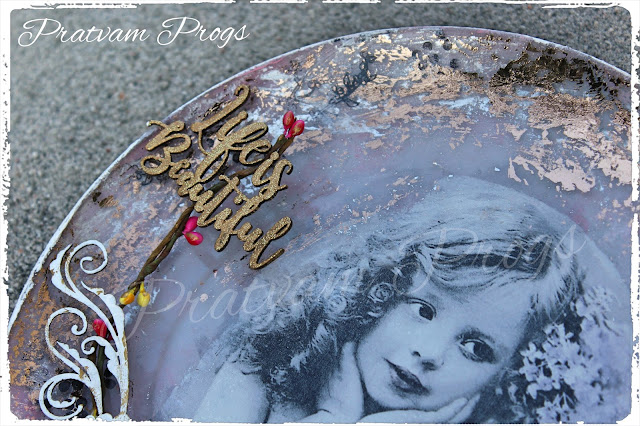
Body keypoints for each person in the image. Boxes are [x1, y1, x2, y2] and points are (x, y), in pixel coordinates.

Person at [186, 177, 626, 423]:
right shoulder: (259, 371)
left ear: (505, 375)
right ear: (378, 289)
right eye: (423, 310)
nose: (430, 353)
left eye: (476, 348)